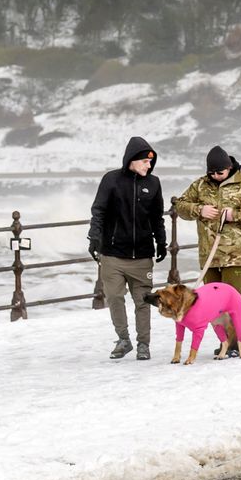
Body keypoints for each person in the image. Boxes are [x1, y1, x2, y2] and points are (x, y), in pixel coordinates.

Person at [87, 136, 167, 360]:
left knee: (143, 301)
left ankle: (144, 344)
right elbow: (99, 211)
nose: (149, 166)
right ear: (133, 160)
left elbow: (157, 217)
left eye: (151, 162)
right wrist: (94, 238)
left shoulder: (153, 183)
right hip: (112, 254)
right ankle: (123, 339)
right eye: (145, 162)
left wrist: (161, 242)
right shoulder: (111, 180)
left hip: (142, 255)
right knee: (114, 297)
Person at [172, 145, 241, 300]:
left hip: (238, 258)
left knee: (231, 312)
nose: (216, 176)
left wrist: (235, 214)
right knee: (213, 313)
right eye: (212, 173)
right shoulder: (200, 185)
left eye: (220, 172)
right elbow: (180, 206)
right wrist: (200, 210)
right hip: (210, 259)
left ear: (229, 167)